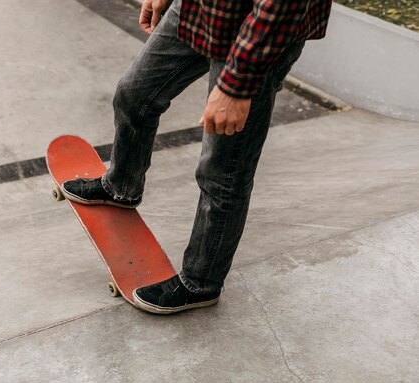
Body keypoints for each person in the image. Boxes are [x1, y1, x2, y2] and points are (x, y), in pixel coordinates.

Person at [62, 0, 333, 314]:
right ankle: (121, 186)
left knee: (224, 170)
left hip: (256, 34)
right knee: (134, 95)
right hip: (199, 8)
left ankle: (200, 282)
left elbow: (280, 8)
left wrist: (236, 86)